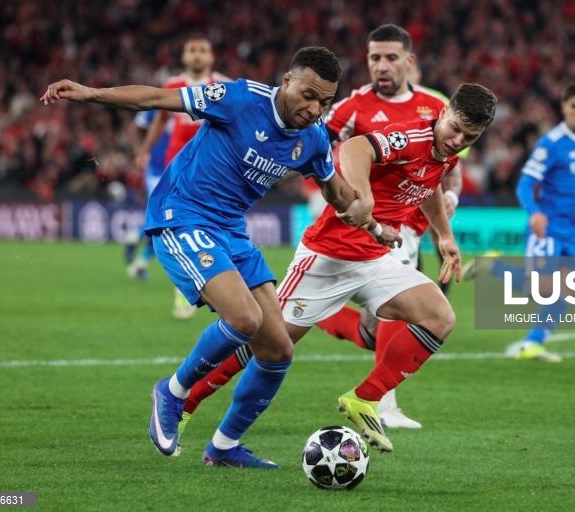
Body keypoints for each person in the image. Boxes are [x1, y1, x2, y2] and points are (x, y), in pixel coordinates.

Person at [40, 46, 397, 468]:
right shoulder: (241, 99)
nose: (314, 108)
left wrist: (371, 224)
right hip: (182, 217)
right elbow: (157, 98)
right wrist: (90, 93)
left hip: (231, 232)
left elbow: (336, 193)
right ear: (287, 81)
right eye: (308, 95)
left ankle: (224, 447)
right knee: (245, 319)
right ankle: (172, 392)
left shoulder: (313, 139)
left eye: (324, 101)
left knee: (278, 348)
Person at [170, 83, 497, 453]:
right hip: (327, 257)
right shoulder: (412, 136)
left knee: (440, 317)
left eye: (468, 136)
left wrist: (444, 236)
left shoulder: (445, 153)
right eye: (454, 128)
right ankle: (186, 403)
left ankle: (365, 399)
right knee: (264, 342)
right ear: (444, 113)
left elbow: (431, 182)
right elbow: (354, 148)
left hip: (375, 259)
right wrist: (365, 194)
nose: (457, 140)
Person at [488, 81, 575, 362]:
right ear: (564, 108)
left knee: (571, 290)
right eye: (574, 107)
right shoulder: (552, 143)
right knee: (543, 288)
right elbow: (525, 183)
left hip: (574, 232)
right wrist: (534, 212)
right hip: (547, 229)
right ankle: (494, 266)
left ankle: (534, 343)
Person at [133, 36, 229, 319]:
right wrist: (145, 151)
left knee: (211, 228)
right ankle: (184, 289)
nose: (197, 55)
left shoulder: (223, 86)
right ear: (184, 57)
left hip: (213, 170)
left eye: (202, 50)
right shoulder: (173, 85)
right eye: (192, 50)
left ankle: (215, 284)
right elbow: (161, 120)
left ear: (211, 57)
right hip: (175, 167)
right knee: (175, 227)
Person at [124, 109, 172, 281]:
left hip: (176, 172)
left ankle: (136, 240)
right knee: (164, 222)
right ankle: (138, 247)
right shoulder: (160, 106)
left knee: (168, 224)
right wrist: (140, 151)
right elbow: (133, 128)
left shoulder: (191, 106)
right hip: (156, 172)